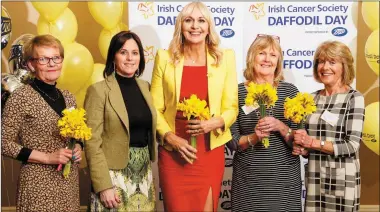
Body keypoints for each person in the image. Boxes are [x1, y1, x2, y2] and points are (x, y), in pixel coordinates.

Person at [151, 2, 238, 211]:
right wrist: (171, 138)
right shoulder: (164, 58)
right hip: (174, 151)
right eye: (188, 20)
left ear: (209, 27)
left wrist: (213, 123)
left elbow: (231, 107)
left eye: (201, 21)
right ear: (180, 26)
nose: (195, 26)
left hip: (208, 152)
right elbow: (155, 109)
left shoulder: (225, 58)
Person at [1, 34, 81, 212]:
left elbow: (75, 136)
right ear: (31, 64)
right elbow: (3, 143)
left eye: (56, 58)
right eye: (43, 59)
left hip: (68, 184)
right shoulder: (21, 97)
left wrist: (79, 147)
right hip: (37, 184)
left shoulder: (68, 97)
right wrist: (47, 157)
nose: (52, 64)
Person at [227, 34, 302, 211]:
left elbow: (300, 141)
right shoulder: (236, 93)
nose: (267, 59)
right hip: (249, 181)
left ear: (278, 61)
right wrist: (254, 137)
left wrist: (281, 127)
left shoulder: (290, 92)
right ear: (252, 57)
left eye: (273, 55)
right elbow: (232, 141)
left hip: (284, 182)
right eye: (262, 53)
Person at [84, 31, 156, 211]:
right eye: (123, 52)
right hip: (112, 176)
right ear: (113, 56)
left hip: (143, 174)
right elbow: (92, 142)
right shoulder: (98, 91)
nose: (130, 58)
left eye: (135, 52)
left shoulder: (146, 87)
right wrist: (103, 185)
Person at [292, 41, 365, 212]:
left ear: (344, 66)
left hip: (343, 180)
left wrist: (312, 143)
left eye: (332, 62)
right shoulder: (310, 99)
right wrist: (302, 148)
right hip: (315, 177)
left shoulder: (354, 98)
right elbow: (308, 144)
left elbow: (352, 145)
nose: (325, 67)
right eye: (321, 61)